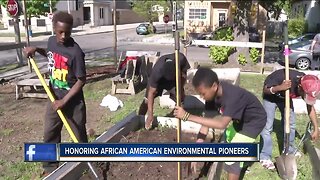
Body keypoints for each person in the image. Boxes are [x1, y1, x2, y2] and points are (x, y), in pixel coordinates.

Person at [23, 11, 88, 176]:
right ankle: (50, 167)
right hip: (54, 97)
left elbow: (81, 80)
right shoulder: (52, 41)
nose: (63, 35)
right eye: (60, 32)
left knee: (78, 135)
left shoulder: (76, 52)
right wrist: (36, 49)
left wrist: (64, 101)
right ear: (54, 28)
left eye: (67, 31)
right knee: (50, 132)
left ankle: (85, 164)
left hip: (72, 101)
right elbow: (51, 54)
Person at [173, 67, 267, 180]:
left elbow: (222, 124)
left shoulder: (232, 96)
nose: (202, 97)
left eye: (203, 94)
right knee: (228, 139)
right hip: (240, 119)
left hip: (254, 121)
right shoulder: (211, 96)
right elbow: (206, 124)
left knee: (233, 156)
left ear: (214, 86)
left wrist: (187, 116)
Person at [260, 68, 319, 170]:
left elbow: (310, 107)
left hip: (285, 98)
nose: (306, 98)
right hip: (271, 97)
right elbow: (265, 90)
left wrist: (316, 128)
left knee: (290, 123)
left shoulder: (307, 82)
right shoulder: (281, 76)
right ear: (300, 87)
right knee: (267, 127)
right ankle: (264, 156)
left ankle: (290, 150)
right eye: (305, 95)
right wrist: (280, 87)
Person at [138, 52, 190, 130]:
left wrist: (180, 89)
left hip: (174, 81)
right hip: (159, 81)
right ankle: (140, 119)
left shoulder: (181, 58)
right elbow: (151, 92)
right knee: (146, 101)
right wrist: (150, 115)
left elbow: (184, 76)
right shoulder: (157, 71)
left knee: (180, 99)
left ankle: (176, 121)